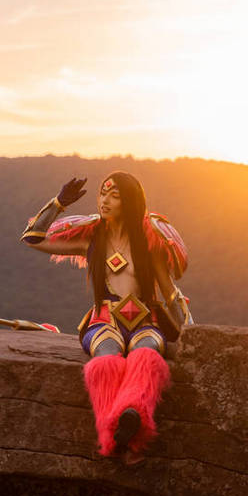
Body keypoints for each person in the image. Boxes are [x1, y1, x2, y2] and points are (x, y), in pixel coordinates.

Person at [21, 172, 192, 461]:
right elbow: (33, 238)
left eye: (115, 195)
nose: (105, 200)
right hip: (104, 322)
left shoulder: (150, 242)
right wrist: (58, 203)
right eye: (103, 193)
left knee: (147, 353)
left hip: (145, 321)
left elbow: (170, 293)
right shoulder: (90, 239)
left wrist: (191, 334)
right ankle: (113, 433)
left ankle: (132, 416)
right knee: (106, 359)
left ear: (130, 202)